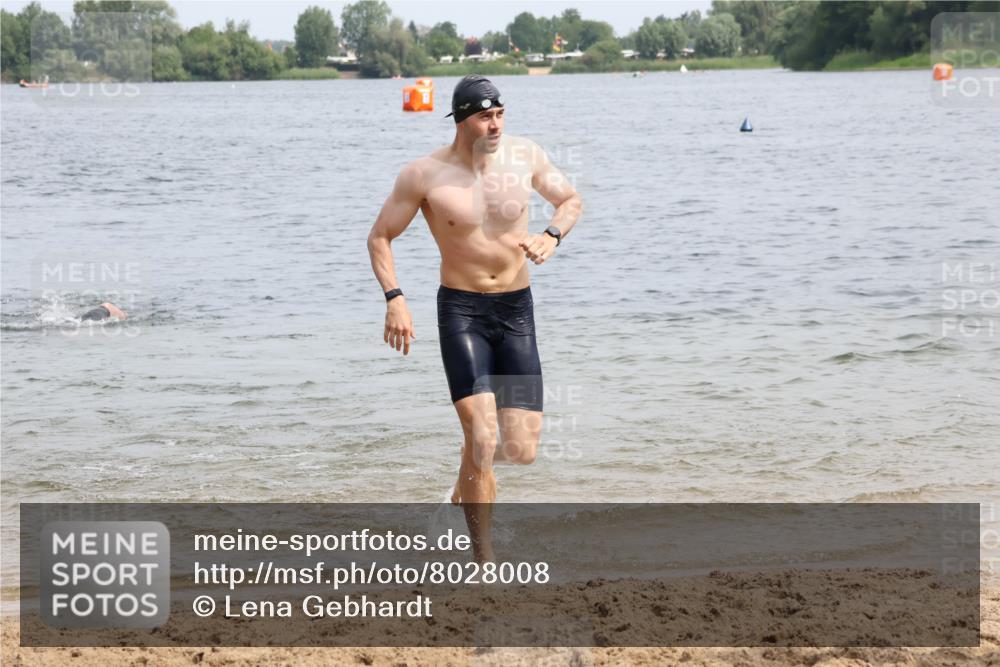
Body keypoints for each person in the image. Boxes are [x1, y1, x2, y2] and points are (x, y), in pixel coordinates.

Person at [367, 75, 582, 562]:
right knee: (482, 436)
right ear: (462, 119)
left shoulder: (525, 155)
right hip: (462, 312)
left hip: (516, 310)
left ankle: (470, 476)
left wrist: (551, 235)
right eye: (486, 116)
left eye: (501, 113)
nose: (496, 124)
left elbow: (571, 201)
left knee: (521, 449)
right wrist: (395, 297)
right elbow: (380, 236)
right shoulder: (423, 175)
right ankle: (484, 560)